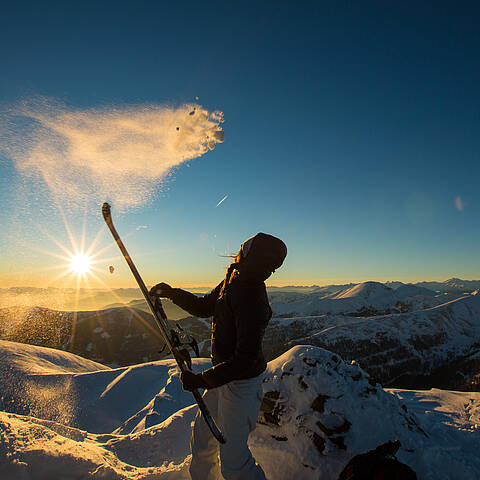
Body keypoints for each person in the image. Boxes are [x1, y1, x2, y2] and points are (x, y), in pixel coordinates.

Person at [149, 232, 287, 480]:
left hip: (240, 385)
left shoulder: (252, 298)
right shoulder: (233, 280)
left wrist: (202, 380)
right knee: (203, 442)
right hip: (222, 377)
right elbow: (204, 307)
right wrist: (172, 293)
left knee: (234, 463)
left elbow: (245, 360)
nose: (267, 270)